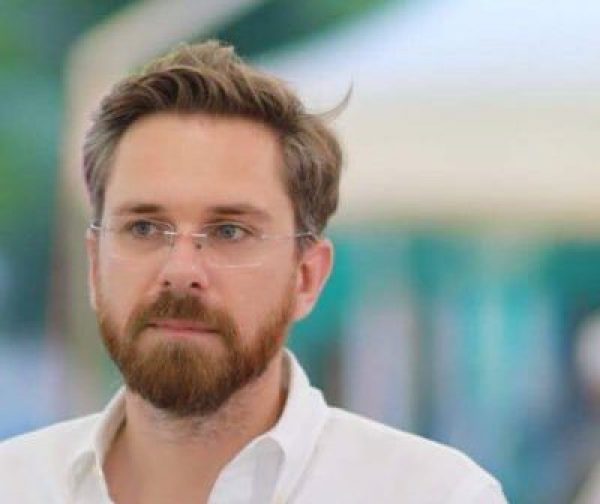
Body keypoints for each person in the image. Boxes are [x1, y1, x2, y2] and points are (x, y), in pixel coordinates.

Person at [0, 40, 507, 503]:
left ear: (306, 277)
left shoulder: (434, 494)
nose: (181, 270)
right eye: (145, 228)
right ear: (94, 265)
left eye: (229, 231)